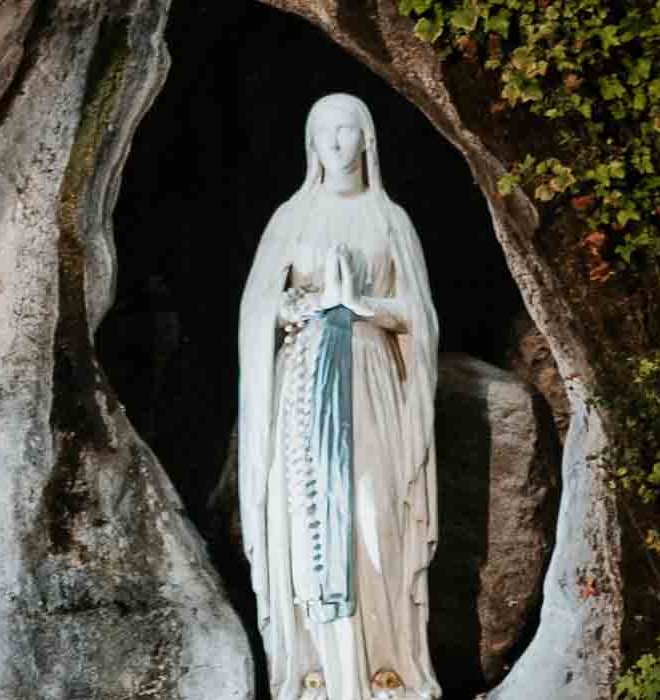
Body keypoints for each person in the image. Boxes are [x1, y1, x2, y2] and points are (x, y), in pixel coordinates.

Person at [236, 92, 442, 700]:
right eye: (324, 130)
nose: (335, 141)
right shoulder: (291, 218)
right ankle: (318, 672)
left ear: (366, 138)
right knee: (304, 516)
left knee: (373, 514)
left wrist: (363, 304)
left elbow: (419, 315)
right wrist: (296, 307)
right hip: (303, 385)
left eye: (346, 129)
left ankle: (385, 667)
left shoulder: (390, 220)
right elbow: (256, 308)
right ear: (309, 142)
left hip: (369, 381)